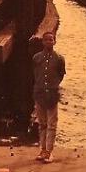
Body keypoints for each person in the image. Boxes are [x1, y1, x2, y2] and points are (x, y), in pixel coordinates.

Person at [33, 32, 66, 163]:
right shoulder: (36, 58)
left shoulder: (59, 59)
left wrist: (53, 86)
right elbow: (35, 74)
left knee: (52, 124)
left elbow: (61, 74)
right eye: (46, 40)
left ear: (54, 41)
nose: (49, 42)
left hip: (52, 94)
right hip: (40, 93)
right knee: (42, 124)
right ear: (42, 42)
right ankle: (42, 149)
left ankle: (49, 151)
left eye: (51, 40)